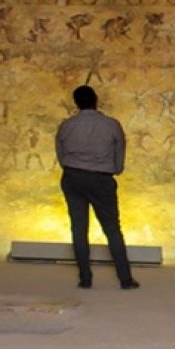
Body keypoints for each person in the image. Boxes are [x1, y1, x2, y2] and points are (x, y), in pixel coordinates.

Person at [55, 85, 139, 290]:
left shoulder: (67, 125)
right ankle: (125, 278)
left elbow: (61, 156)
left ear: (76, 103)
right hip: (101, 179)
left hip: (73, 177)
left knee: (79, 228)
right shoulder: (111, 125)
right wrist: (112, 170)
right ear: (96, 99)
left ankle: (85, 277)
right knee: (112, 229)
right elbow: (119, 160)